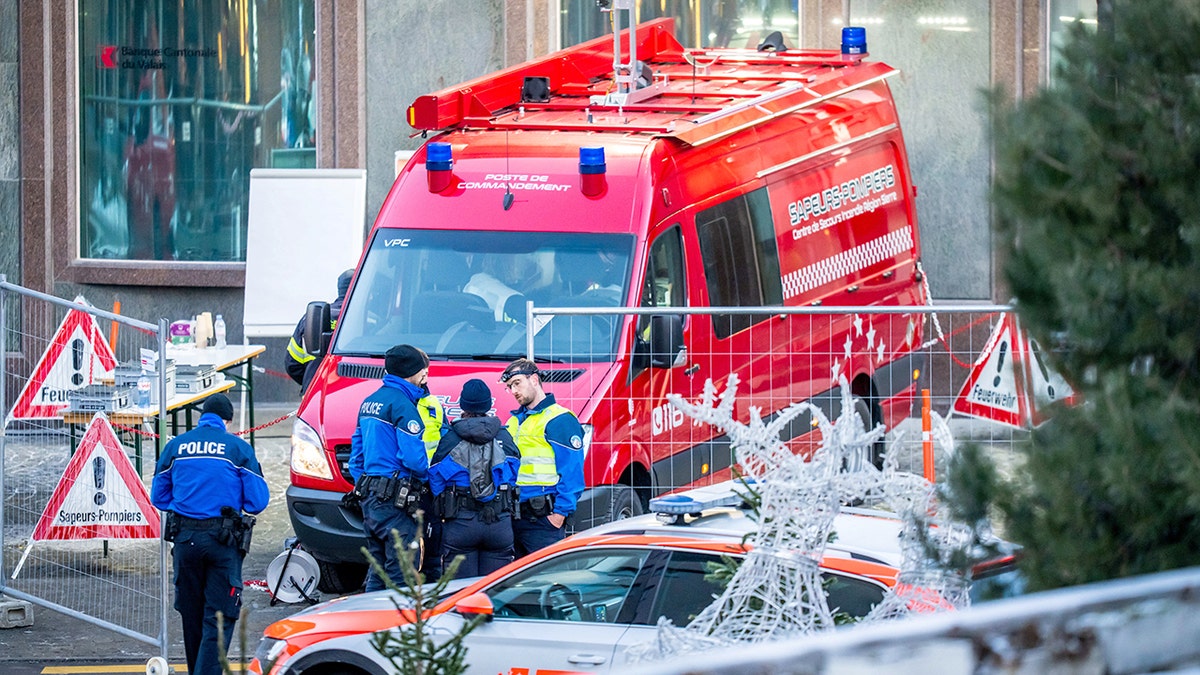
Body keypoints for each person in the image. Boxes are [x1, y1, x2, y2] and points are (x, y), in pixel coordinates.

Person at [151, 393, 269, 675]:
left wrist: (188, 502)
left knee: (191, 616)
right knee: (218, 619)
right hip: (222, 542)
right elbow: (257, 502)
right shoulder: (238, 449)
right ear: (227, 421)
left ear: (202, 417)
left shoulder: (175, 446)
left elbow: (159, 497)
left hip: (185, 541)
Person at [347, 344, 431, 591]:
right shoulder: (402, 405)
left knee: (378, 569)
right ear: (412, 371)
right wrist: (425, 477)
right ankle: (396, 617)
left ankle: (372, 613)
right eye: (423, 370)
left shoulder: (369, 402)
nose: (425, 375)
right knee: (402, 573)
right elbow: (414, 460)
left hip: (370, 498)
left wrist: (367, 483)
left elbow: (356, 458)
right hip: (395, 500)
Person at [428, 379, 520, 577]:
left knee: (461, 590)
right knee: (494, 588)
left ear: (463, 405)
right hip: (499, 521)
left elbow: (435, 477)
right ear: (488, 405)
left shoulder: (450, 438)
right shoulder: (504, 437)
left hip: (460, 522)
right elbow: (513, 475)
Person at [500, 358, 586, 557]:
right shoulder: (514, 421)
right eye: (509, 387)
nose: (514, 391)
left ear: (534, 380)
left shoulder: (559, 419)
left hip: (544, 517)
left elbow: (572, 471)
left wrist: (560, 514)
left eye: (517, 383)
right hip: (514, 514)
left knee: (548, 573)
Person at [286, 269, 353, 392]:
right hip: (350, 391)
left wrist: (311, 381)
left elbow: (292, 364)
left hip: (314, 392)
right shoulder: (369, 321)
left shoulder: (312, 317)